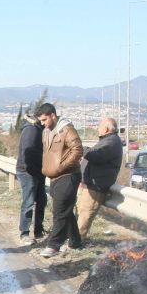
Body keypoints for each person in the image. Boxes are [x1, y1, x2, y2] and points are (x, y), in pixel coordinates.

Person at [37, 103, 83, 258]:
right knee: (65, 210)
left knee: (60, 209)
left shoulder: (67, 129)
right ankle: (75, 241)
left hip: (68, 175)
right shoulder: (46, 131)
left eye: (44, 119)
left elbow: (77, 149)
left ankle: (54, 244)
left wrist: (62, 165)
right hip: (54, 177)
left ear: (53, 115)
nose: (42, 123)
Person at [77, 117, 123, 239]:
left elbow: (96, 156)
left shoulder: (111, 142)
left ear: (106, 129)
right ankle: (74, 239)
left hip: (96, 186)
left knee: (85, 215)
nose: (98, 129)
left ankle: (76, 242)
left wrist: (81, 149)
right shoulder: (108, 140)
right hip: (89, 183)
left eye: (99, 126)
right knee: (81, 212)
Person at [16, 112, 47, 245]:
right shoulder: (31, 129)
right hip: (28, 171)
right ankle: (24, 232)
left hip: (38, 171)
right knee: (28, 202)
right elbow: (27, 152)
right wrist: (33, 171)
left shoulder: (38, 128)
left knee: (41, 200)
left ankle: (39, 230)